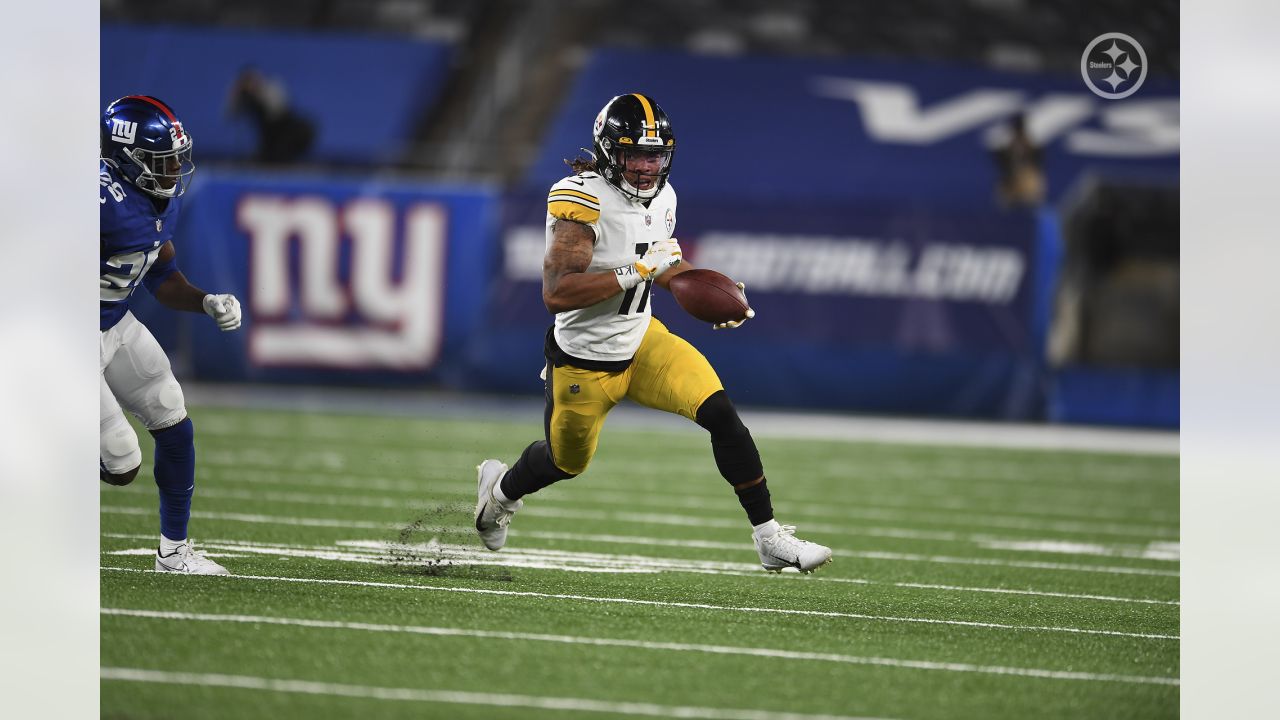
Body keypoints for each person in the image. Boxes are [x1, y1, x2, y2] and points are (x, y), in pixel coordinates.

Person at [475, 93, 832, 573]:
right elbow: (558, 294)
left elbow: (664, 266)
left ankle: (769, 538)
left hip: (643, 340)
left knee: (722, 415)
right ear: (608, 151)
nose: (646, 167)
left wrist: (710, 293)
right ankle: (499, 493)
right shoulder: (580, 199)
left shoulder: (665, 196)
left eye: (655, 155)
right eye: (634, 155)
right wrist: (636, 269)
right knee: (565, 462)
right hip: (585, 361)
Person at [100, 95, 242, 575]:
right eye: (164, 160)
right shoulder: (99, 201)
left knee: (173, 419)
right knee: (121, 463)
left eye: (177, 157)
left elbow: (163, 276)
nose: (176, 168)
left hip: (112, 321)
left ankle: (174, 555)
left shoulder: (156, 202)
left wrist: (205, 301)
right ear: (127, 159)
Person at [991, 112, 1046, 208]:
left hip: (1028, 188)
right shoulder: (1009, 146)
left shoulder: (1030, 146)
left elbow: (1037, 166)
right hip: (1013, 187)